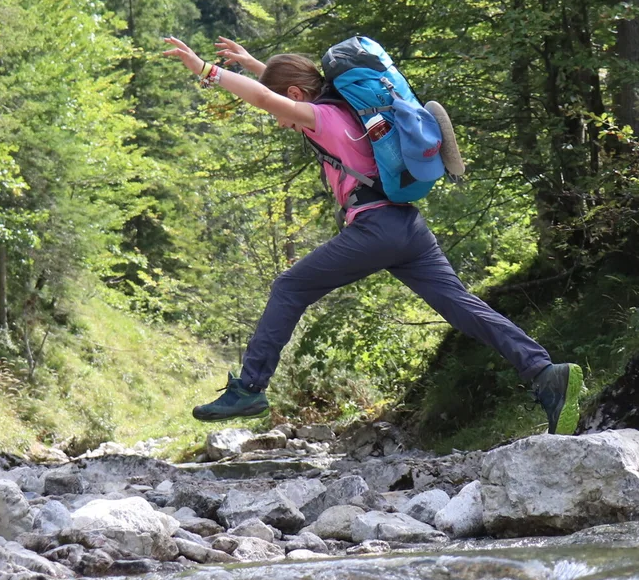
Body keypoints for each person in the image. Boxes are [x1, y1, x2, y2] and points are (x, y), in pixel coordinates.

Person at [160, 35, 584, 435]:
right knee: (461, 306)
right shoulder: (345, 111)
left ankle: (249, 389)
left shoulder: (320, 117)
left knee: (290, 287)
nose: (278, 122)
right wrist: (256, 64)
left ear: (294, 97)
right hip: (407, 227)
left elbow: (266, 97)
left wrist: (204, 70)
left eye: (279, 113)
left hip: (375, 228)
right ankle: (546, 374)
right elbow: (282, 90)